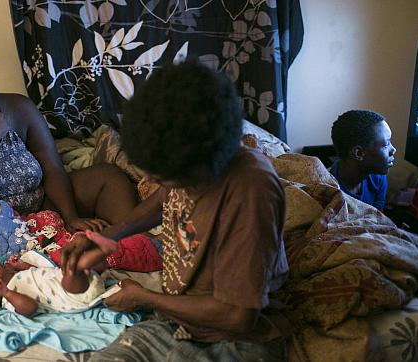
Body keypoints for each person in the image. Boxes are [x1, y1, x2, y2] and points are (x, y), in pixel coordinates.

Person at [61, 61, 291, 361]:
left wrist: (143, 297)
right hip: (178, 322)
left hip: (234, 340)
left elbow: (238, 316)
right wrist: (106, 236)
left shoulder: (251, 192)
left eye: (159, 177)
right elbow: (162, 200)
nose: (148, 182)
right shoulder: (187, 166)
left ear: (201, 167)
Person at [0, 23, 137, 247]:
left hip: (38, 207)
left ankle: (130, 247)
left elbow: (52, 168)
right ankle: (31, 245)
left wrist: (71, 218)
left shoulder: (19, 107)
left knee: (109, 177)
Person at [0, 251, 105, 315]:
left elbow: (42, 273)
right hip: (73, 295)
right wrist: (7, 293)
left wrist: (22, 266)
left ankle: (101, 260)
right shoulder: (10, 301)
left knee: (92, 266)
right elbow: (31, 307)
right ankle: (105, 248)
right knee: (75, 263)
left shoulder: (18, 276)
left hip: (77, 281)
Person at [330, 109, 396, 210]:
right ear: (359, 153)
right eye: (386, 144)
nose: (393, 150)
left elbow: (376, 221)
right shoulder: (327, 190)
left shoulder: (377, 178)